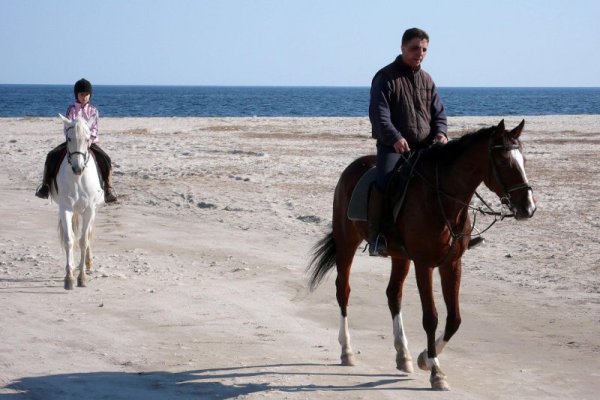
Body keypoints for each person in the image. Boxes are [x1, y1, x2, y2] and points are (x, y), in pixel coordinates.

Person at [367, 27, 448, 257]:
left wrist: (441, 133)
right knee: (384, 183)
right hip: (392, 148)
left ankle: (454, 234)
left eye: (424, 49)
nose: (419, 53)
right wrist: (395, 138)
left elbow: (439, 113)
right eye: (414, 48)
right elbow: (379, 114)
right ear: (402, 48)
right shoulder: (385, 77)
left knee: (450, 179)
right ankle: (378, 236)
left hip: (425, 149)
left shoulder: (427, 80)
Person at [35, 78, 117, 203]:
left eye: (86, 94)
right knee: (51, 155)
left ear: (90, 95)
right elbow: (67, 126)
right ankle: (45, 186)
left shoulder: (94, 111)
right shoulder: (71, 109)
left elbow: (94, 128)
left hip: (89, 143)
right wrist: (71, 139)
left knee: (106, 159)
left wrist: (89, 141)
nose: (84, 97)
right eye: (81, 94)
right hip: (73, 143)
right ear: (76, 95)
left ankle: (108, 189)